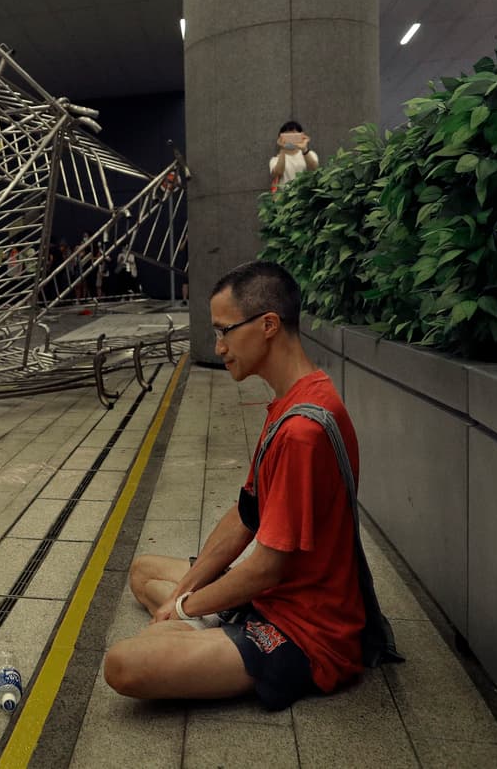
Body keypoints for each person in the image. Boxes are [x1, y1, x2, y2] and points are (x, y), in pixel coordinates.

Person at [104, 260, 366, 710]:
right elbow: (245, 516)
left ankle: (205, 636)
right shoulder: (294, 400)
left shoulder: (302, 432)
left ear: (267, 325)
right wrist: (188, 593)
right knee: (143, 571)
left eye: (225, 330)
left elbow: (267, 569)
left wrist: (186, 608)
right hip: (268, 599)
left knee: (123, 665)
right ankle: (202, 633)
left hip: (306, 630)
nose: (219, 345)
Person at [269, 120, 319, 192]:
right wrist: (282, 148)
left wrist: (304, 149)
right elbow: (278, 173)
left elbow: (314, 169)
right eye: (287, 135)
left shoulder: (309, 154)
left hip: (306, 196)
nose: (290, 139)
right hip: (285, 198)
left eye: (294, 135)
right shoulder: (275, 159)